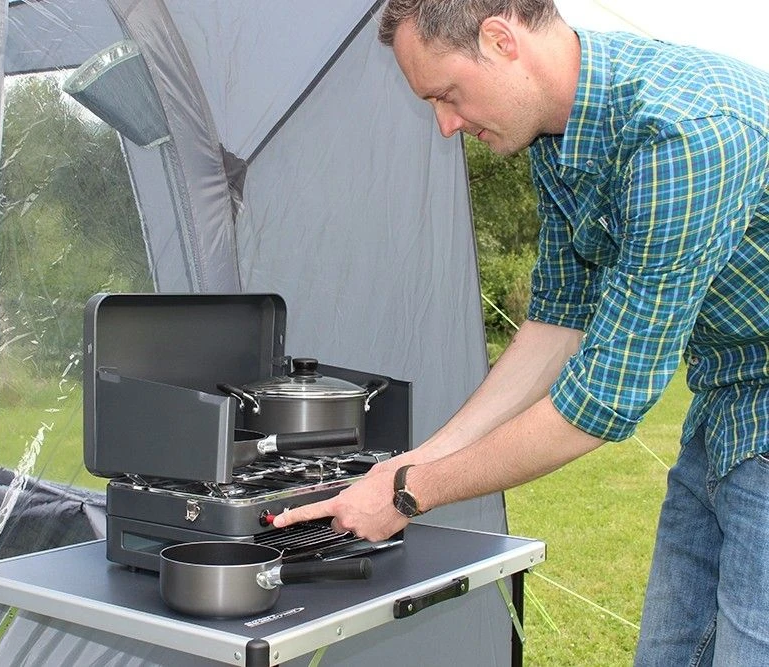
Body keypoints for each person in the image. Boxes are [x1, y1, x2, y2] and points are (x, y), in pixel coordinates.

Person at [272, 1, 769, 664]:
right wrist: (410, 463)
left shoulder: (687, 135)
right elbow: (557, 324)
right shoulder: (559, 139)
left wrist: (410, 493)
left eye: (448, 94)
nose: (446, 124)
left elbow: (600, 401)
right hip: (727, 410)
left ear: (501, 40)